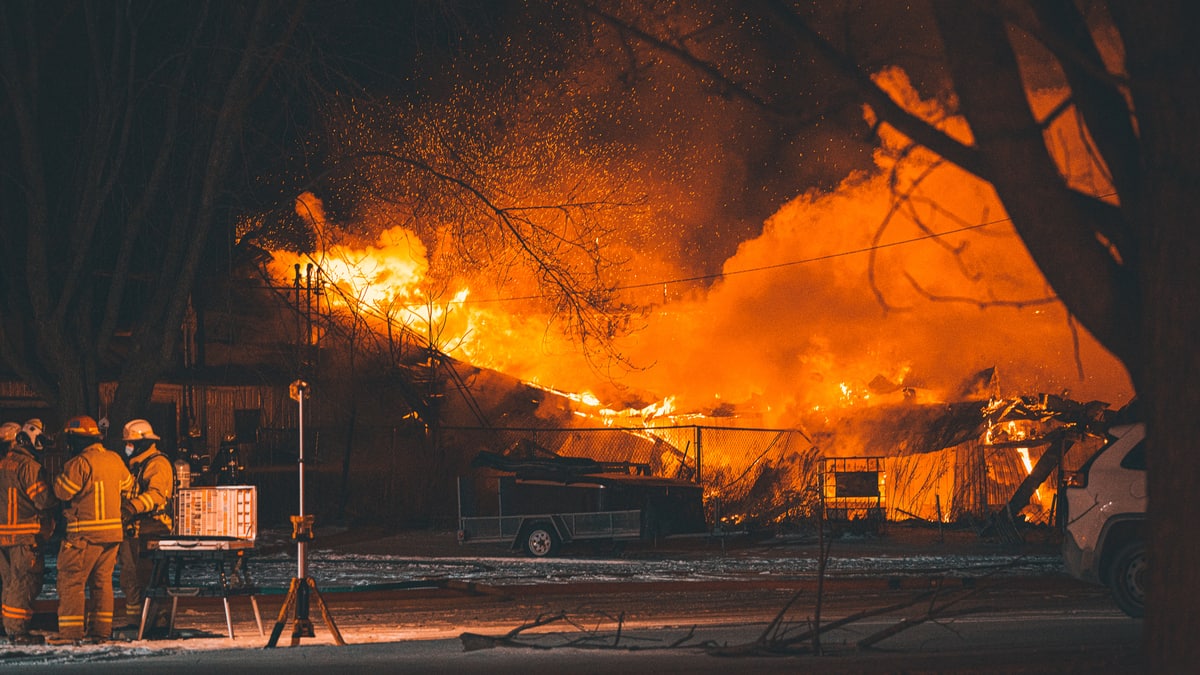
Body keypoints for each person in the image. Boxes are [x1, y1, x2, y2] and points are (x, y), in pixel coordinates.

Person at [49, 415, 134, 645]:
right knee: (102, 583)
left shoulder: (80, 463)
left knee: (72, 582)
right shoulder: (115, 460)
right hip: (112, 535)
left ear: (78, 440)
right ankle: (100, 632)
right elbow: (128, 485)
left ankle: (70, 635)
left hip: (84, 537)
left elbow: (63, 492)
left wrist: (57, 478)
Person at [0, 420, 58, 645]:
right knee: (24, 582)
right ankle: (17, 630)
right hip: (24, 536)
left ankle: (7, 625)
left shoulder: (4, 464)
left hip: (2, 537)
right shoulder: (29, 467)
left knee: (8, 582)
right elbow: (43, 500)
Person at [117, 419, 175, 631]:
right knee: (131, 578)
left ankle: (158, 620)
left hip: (154, 529)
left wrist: (131, 508)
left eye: (131, 443)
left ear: (143, 442)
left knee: (152, 578)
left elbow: (157, 495)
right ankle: (136, 622)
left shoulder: (157, 463)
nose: (128, 447)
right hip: (136, 532)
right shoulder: (136, 465)